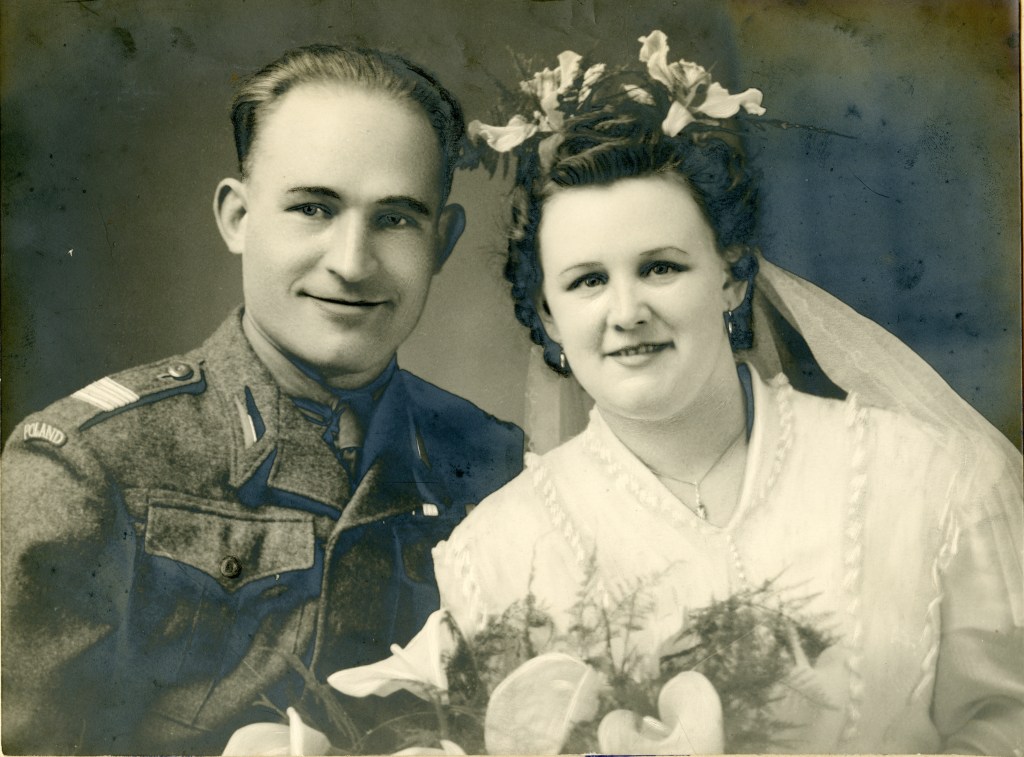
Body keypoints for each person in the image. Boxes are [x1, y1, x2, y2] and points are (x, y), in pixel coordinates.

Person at [333, 32, 1022, 755]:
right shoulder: (498, 556)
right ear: (549, 317)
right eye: (587, 280)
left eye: (661, 267)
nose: (626, 311)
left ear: (731, 276)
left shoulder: (936, 482)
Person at [0, 44, 524, 755]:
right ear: (237, 217)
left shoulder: (495, 464)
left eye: (396, 219)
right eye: (313, 208)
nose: (351, 262)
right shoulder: (89, 465)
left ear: (443, 240)